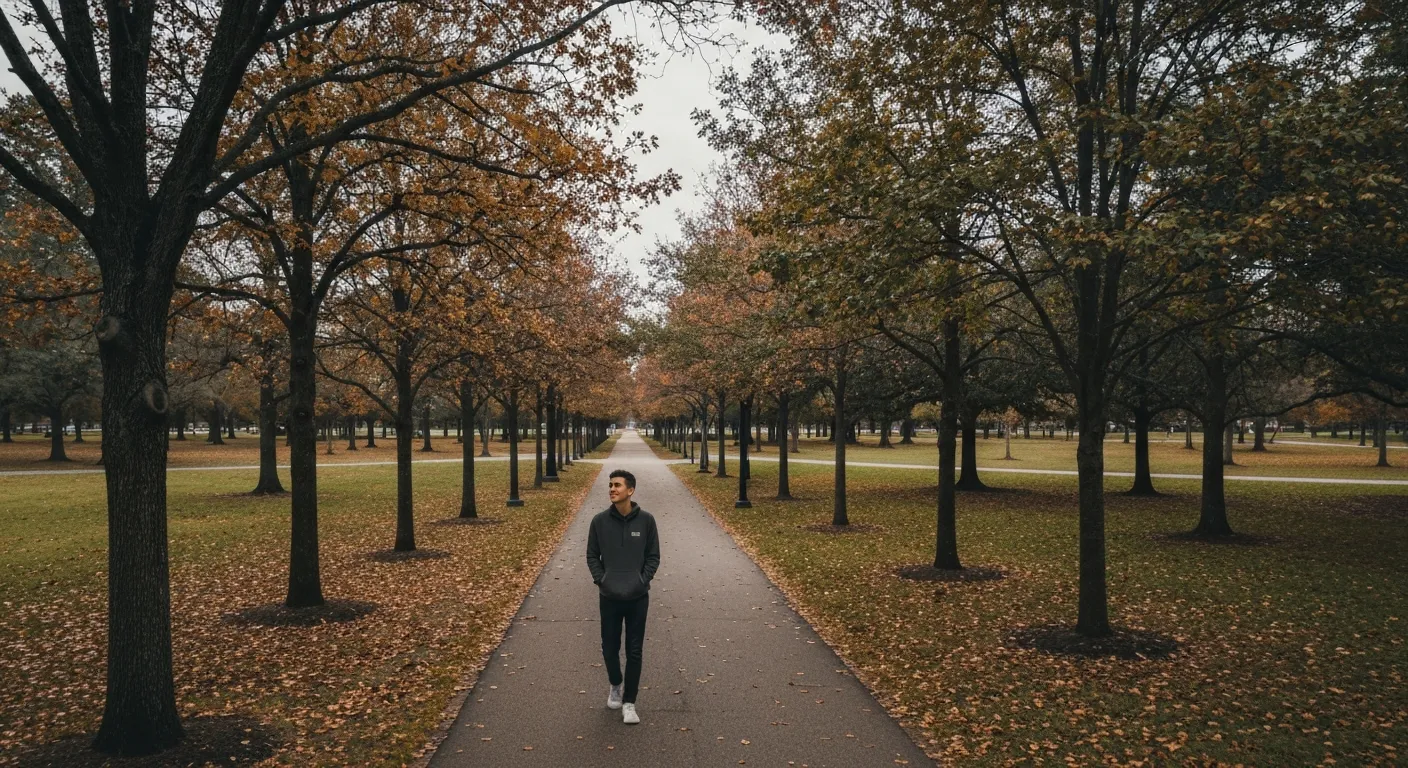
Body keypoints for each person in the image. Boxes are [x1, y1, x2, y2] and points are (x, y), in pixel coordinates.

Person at [586, 469, 660, 725]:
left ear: (630, 490)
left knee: (635, 650)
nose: (612, 489)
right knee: (609, 648)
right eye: (610, 485)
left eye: (617, 485)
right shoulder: (599, 522)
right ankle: (615, 683)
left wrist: (643, 579)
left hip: (638, 596)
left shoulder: (647, 521)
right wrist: (601, 579)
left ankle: (630, 702)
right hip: (609, 595)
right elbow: (592, 556)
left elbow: (653, 557)